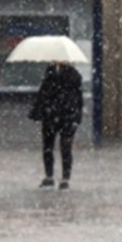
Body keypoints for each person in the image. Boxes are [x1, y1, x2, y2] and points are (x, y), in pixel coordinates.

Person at [30, 61, 83, 189]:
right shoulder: (50, 72)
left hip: (66, 115)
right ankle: (49, 176)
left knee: (65, 146)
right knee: (48, 146)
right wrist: (38, 111)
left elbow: (77, 98)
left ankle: (65, 178)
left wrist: (76, 115)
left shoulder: (73, 74)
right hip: (51, 115)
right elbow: (43, 93)